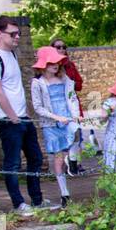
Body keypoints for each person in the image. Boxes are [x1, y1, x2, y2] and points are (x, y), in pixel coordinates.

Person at [0, 16, 44, 213]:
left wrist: (23, 113)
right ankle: (18, 203)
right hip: (8, 118)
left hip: (22, 116)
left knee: (35, 157)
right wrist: (12, 116)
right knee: (13, 162)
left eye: (18, 33)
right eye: (12, 34)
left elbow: (14, 87)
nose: (17, 37)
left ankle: (37, 200)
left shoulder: (12, 54)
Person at [31, 46, 80, 208]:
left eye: (57, 62)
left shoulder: (65, 79)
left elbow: (72, 99)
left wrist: (73, 115)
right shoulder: (38, 83)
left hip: (67, 120)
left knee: (74, 141)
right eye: (51, 62)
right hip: (51, 124)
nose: (55, 65)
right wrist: (56, 117)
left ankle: (71, 162)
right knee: (58, 159)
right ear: (43, 64)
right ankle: (64, 193)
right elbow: (38, 107)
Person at [49, 37, 85, 173]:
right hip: (58, 109)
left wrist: (69, 83)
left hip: (72, 106)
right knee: (62, 139)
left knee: (77, 136)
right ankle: (62, 168)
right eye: (58, 47)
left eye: (64, 47)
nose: (62, 49)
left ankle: (75, 164)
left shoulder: (70, 66)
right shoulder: (48, 68)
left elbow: (79, 85)